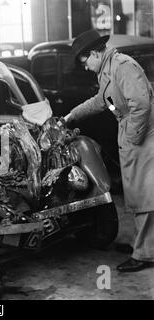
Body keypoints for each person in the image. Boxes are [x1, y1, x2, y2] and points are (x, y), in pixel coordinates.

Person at [64, 29, 154, 272]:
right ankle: (144, 245)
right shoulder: (107, 70)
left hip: (144, 135)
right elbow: (100, 101)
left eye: (85, 62)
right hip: (132, 132)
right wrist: (72, 115)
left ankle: (145, 255)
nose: (84, 68)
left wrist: (133, 137)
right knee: (136, 194)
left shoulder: (123, 66)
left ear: (94, 53)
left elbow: (142, 105)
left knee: (145, 195)